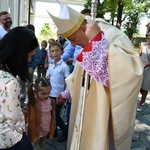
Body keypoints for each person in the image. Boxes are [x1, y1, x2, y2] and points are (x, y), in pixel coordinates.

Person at [48, 1, 143, 150]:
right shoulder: (85, 43)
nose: (72, 44)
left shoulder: (114, 35)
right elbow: (81, 74)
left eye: (73, 39)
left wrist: (99, 42)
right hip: (84, 107)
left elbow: (131, 73)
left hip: (105, 111)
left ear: (84, 28)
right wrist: (67, 93)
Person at [0, 27, 38, 149]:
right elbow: (14, 121)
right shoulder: (10, 82)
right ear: (18, 54)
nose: (29, 60)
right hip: (7, 139)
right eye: (28, 56)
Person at [46, 41, 70, 142]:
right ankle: (54, 131)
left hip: (59, 95)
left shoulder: (64, 67)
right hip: (50, 94)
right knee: (51, 113)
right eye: (52, 51)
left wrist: (65, 95)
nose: (55, 53)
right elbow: (48, 78)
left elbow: (68, 82)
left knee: (56, 114)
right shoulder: (51, 65)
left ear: (61, 52)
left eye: (57, 50)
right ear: (50, 53)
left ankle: (66, 132)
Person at [25, 77, 56, 150]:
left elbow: (52, 115)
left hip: (45, 129)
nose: (46, 96)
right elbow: (26, 112)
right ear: (36, 92)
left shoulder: (50, 101)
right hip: (36, 130)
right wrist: (27, 122)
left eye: (48, 93)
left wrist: (52, 125)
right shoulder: (33, 102)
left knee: (42, 146)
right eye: (43, 94)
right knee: (35, 146)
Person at [137, 30, 150, 111]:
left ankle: (141, 103)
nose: (149, 37)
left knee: (145, 87)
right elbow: (139, 54)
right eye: (148, 35)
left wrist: (145, 65)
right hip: (140, 68)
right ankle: (143, 98)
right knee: (139, 86)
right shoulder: (143, 44)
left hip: (148, 69)